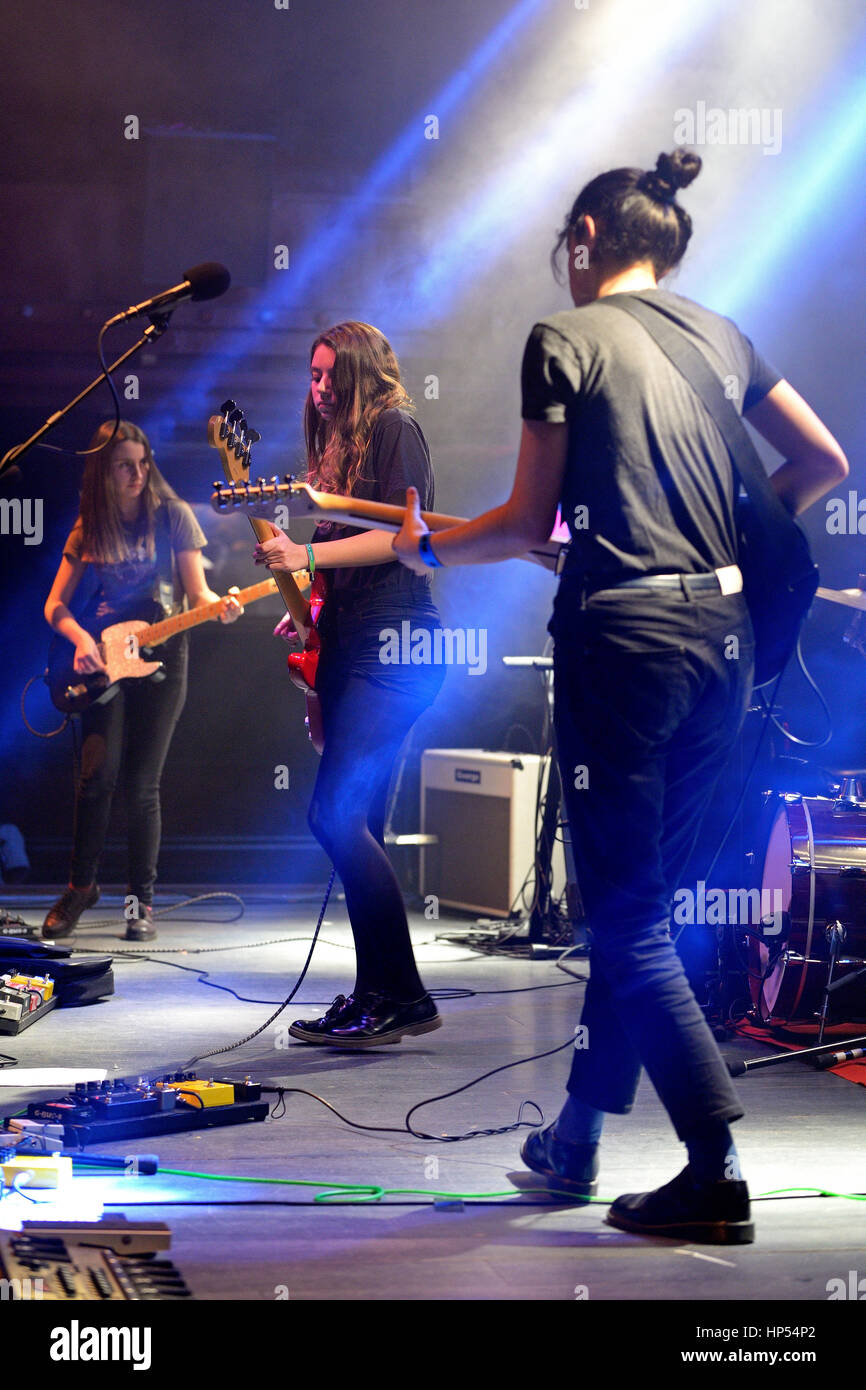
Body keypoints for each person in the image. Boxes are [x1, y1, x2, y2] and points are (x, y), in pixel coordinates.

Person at [393, 150, 848, 1242]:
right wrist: (724, 534)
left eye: (566, 245)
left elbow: (516, 523)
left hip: (625, 639)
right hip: (724, 645)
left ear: (587, 238)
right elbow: (823, 460)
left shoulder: (562, 337)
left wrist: (424, 547)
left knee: (628, 914)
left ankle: (713, 1166)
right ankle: (577, 1142)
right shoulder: (722, 333)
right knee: (643, 906)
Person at [254, 321, 446, 1047]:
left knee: (334, 815)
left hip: (397, 647)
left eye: (334, 375)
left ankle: (403, 995)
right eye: (313, 375)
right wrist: (308, 607)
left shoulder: (397, 425)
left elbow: (408, 539)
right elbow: (341, 564)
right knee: (353, 820)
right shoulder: (334, 451)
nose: (322, 388)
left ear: (366, 373)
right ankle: (380, 993)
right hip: (356, 641)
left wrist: (304, 551)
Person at [43, 420, 242, 942]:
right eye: (124, 465)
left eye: (142, 461)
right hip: (104, 659)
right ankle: (80, 889)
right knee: (95, 780)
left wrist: (219, 609)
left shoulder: (172, 517)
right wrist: (83, 642)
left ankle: (141, 905)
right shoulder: (91, 525)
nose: (137, 473)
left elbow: (197, 593)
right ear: (102, 473)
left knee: (141, 785)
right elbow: (55, 604)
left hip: (162, 656)